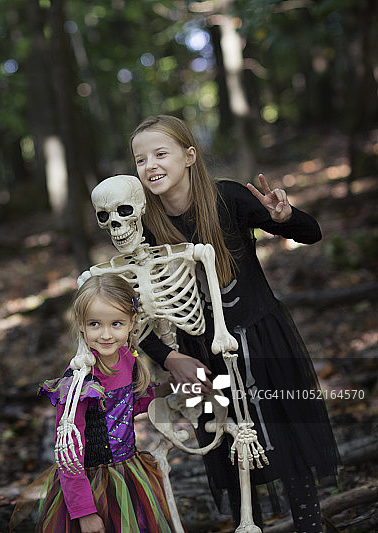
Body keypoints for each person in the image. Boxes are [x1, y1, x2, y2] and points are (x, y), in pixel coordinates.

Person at [131, 114, 339, 533]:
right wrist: (170, 358)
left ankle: (309, 526)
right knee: (227, 450)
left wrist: (283, 218)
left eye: (160, 153)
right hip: (197, 357)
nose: (150, 165)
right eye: (140, 159)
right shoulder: (142, 229)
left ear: (189, 156)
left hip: (262, 336)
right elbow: (135, 316)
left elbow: (311, 232)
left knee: (288, 439)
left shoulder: (227, 199)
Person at [11, 273, 177, 533]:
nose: (107, 334)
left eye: (117, 323)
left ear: (132, 322)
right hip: (90, 486)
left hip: (129, 474)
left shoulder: (127, 359)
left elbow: (132, 405)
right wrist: (84, 512)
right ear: (81, 324)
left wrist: (177, 388)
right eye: (95, 324)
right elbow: (67, 453)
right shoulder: (78, 381)